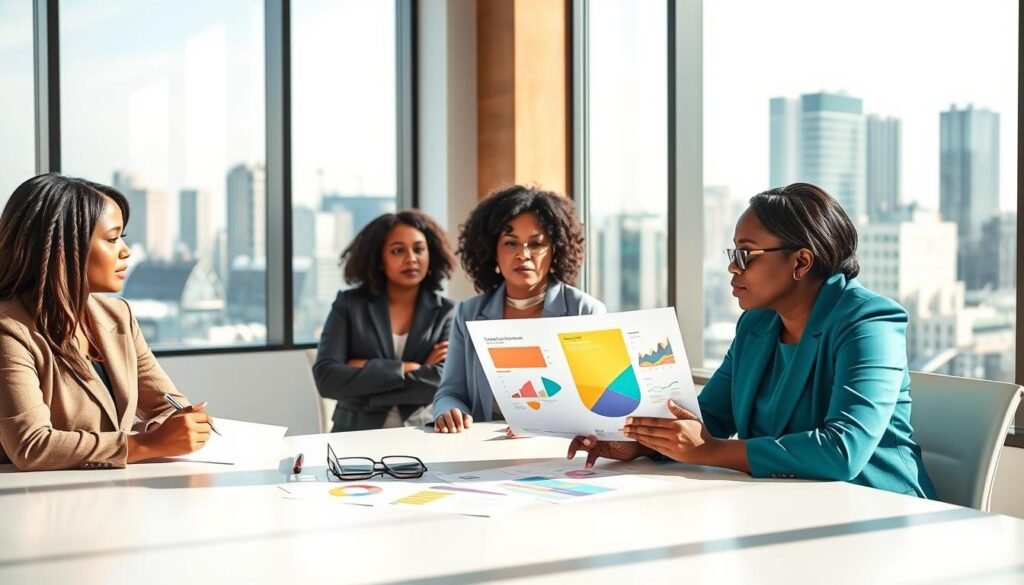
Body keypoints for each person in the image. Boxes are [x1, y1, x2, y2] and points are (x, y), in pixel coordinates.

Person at [569, 183, 937, 498]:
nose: (733, 267)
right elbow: (709, 416)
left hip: (876, 512)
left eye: (746, 254)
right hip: (780, 505)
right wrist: (640, 442)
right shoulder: (756, 325)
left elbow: (843, 451)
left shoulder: (868, 321)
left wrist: (711, 452)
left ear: (801, 261)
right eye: (733, 253)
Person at [0, 174, 213, 471]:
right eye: (112, 239)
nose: (125, 251)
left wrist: (178, 428)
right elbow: (31, 445)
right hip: (36, 503)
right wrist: (147, 444)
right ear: (65, 248)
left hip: (114, 496)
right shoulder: (9, 328)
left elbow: (167, 404)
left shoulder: (117, 316)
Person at [433, 185, 606, 433]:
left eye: (536, 244)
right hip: (482, 449)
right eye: (510, 243)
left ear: (555, 250)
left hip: (559, 448)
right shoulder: (468, 314)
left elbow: (599, 400)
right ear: (492, 250)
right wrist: (448, 411)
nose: (523, 255)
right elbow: (450, 392)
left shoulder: (585, 312)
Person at [313, 210, 456, 432]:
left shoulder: (446, 311)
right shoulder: (348, 305)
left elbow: (441, 382)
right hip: (354, 436)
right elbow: (327, 379)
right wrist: (408, 368)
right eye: (398, 250)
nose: (411, 258)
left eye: (419, 249)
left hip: (421, 434)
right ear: (379, 259)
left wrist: (363, 369)